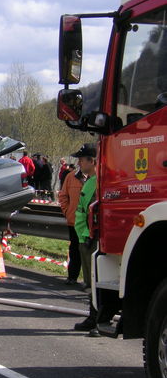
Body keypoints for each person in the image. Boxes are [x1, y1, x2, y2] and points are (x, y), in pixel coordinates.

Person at [71, 143, 117, 335]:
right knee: (91, 281)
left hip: (91, 238)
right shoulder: (91, 180)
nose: (79, 162)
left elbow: (94, 211)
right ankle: (94, 318)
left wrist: (90, 236)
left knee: (96, 280)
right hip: (85, 236)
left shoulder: (99, 181)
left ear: (93, 161)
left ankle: (97, 320)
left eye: (82, 159)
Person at [58, 159, 87, 285]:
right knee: (74, 249)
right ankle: (72, 277)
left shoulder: (98, 176)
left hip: (91, 222)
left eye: (81, 160)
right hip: (74, 221)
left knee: (88, 251)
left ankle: (89, 281)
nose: (79, 163)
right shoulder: (71, 176)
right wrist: (67, 212)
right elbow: (63, 196)